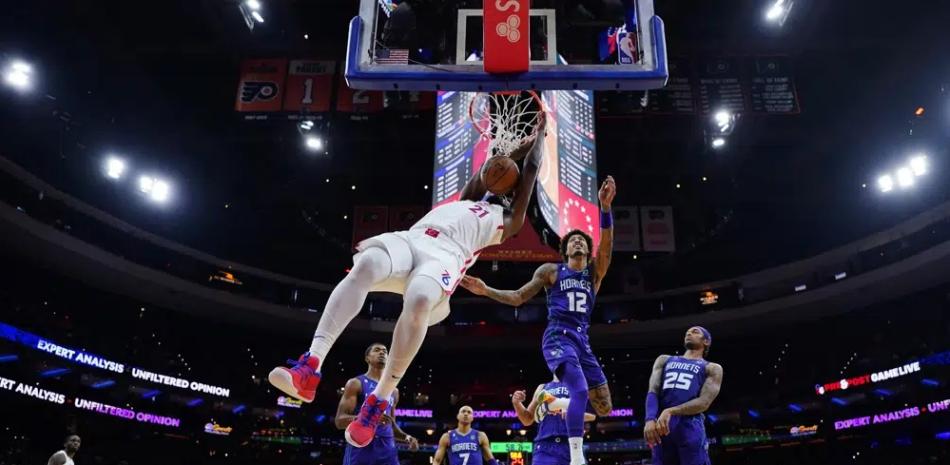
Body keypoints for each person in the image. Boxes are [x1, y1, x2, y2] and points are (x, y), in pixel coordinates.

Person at [270, 112, 547, 448]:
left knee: (417, 300)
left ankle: (378, 401)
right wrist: (519, 145)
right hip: (413, 237)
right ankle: (310, 367)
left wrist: (541, 136)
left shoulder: (509, 220)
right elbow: (493, 166)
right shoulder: (471, 197)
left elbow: (529, 173)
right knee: (365, 264)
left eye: (502, 176)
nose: (494, 174)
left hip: (447, 257)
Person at [461, 175, 617, 465]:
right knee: (580, 388)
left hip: (583, 340)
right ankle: (576, 457)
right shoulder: (551, 272)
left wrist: (605, 208)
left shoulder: (593, 275)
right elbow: (519, 296)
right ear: (566, 250)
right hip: (558, 336)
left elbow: (606, 247)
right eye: (574, 241)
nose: (579, 243)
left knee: (605, 406)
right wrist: (486, 290)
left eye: (583, 240)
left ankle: (560, 407)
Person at [643, 327, 724, 465]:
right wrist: (649, 419)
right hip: (662, 426)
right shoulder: (664, 360)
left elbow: (704, 402)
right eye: (688, 332)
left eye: (695, 331)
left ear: (706, 341)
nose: (689, 333)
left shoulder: (712, 368)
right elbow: (653, 391)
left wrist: (671, 411)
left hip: (690, 424)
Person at [337, 343, 420, 465]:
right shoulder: (356, 383)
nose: (382, 353)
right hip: (361, 446)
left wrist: (407, 438)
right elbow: (339, 421)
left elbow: (390, 424)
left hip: (387, 449)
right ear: (367, 358)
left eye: (385, 351)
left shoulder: (395, 391)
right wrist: (368, 418)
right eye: (377, 350)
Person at [511, 380, 596, 465]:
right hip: (544, 446)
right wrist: (517, 403)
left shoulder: (580, 384)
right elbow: (527, 420)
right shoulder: (542, 387)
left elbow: (592, 416)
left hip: (571, 445)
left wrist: (572, 412)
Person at [432, 406, 497, 465]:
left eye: (469, 412)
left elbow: (490, 459)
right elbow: (437, 461)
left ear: (472, 418)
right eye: (463, 411)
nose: (466, 414)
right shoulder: (447, 436)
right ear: (457, 416)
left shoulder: (480, 435)